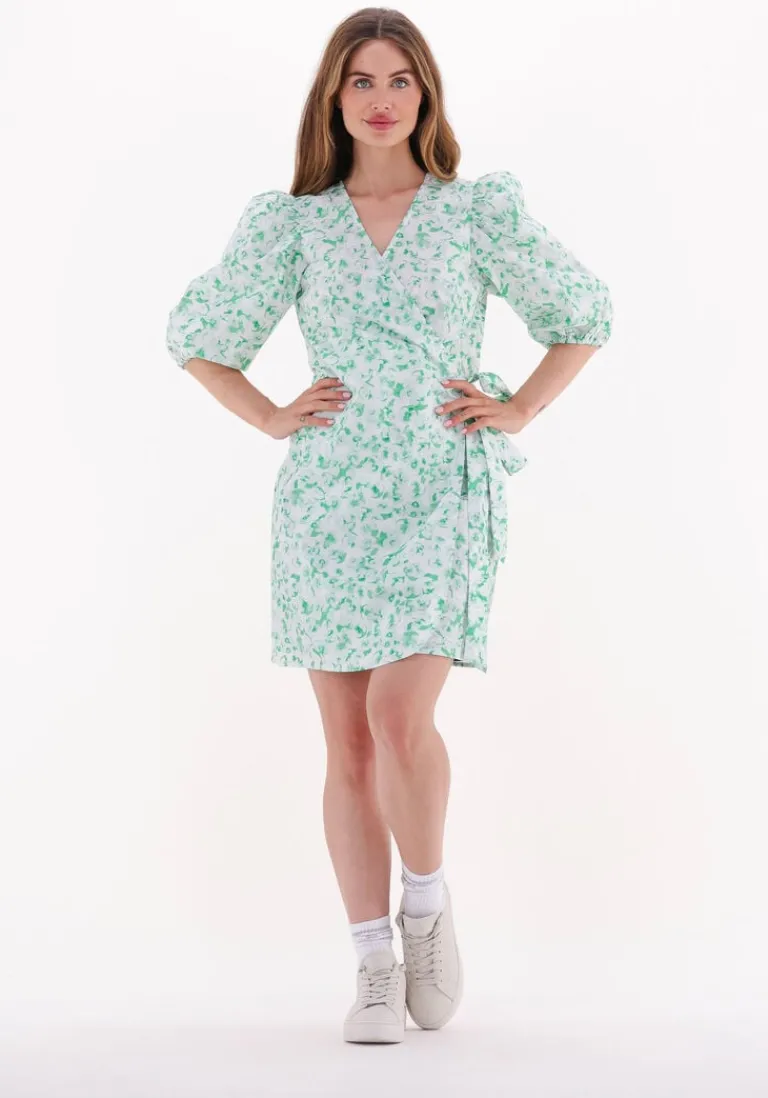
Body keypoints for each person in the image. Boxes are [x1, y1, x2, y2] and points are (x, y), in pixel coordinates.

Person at [165, 7, 612, 1045]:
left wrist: (519, 407)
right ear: (334, 96)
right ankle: (372, 962)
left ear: (426, 94)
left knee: (400, 716)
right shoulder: (294, 225)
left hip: (439, 486)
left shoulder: (471, 213)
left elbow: (583, 311)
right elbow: (198, 334)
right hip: (329, 499)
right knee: (349, 745)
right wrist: (270, 415)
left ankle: (425, 906)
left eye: (399, 80)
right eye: (361, 80)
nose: (380, 99)